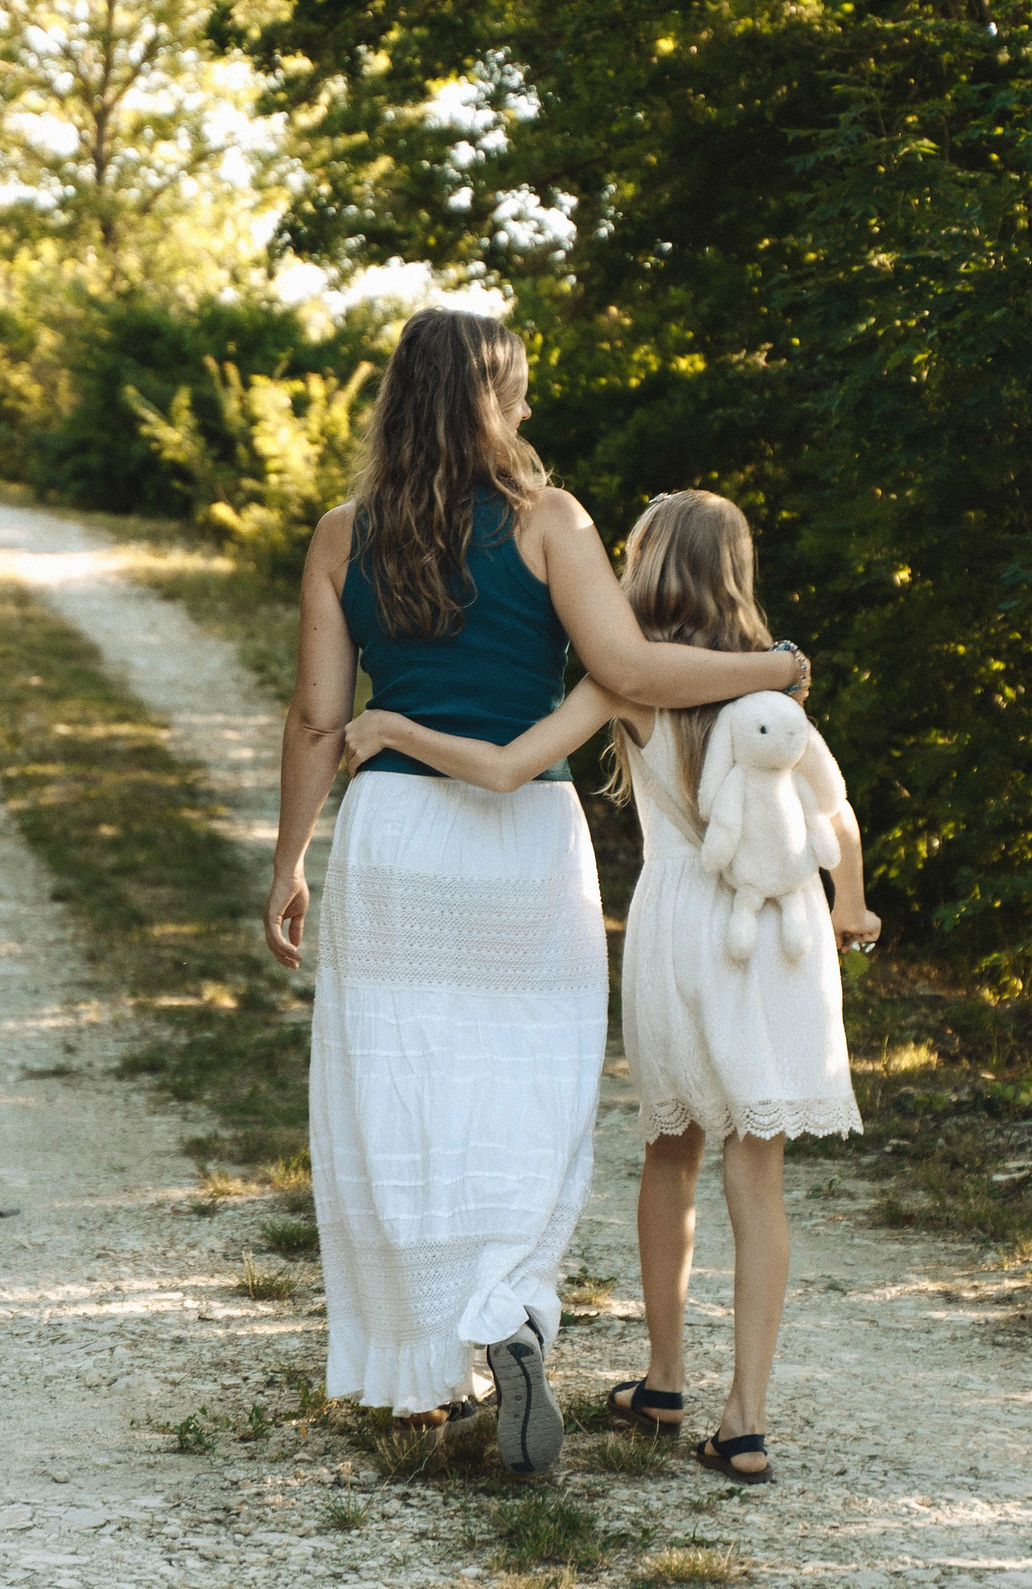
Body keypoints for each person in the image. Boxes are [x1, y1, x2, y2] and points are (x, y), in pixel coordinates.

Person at [264, 318, 809, 1476]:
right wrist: (772, 666)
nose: (526, 415)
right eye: (514, 393)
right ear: (480, 400)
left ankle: (427, 1371)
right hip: (520, 839)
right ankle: (507, 1304)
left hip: (399, 833)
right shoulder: (548, 522)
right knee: (528, 1084)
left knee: (397, 1092)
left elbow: (317, 718)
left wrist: (289, 861)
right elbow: (628, 674)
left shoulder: (340, 537)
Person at [341, 489, 878, 1485]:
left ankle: (663, 1377)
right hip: (781, 938)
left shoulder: (624, 682)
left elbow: (507, 770)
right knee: (755, 1174)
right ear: (737, 571)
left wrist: (393, 730)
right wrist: (849, 906)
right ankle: (745, 1420)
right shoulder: (773, 699)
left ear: (640, 566)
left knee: (668, 1156)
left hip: (681, 929)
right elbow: (835, 814)